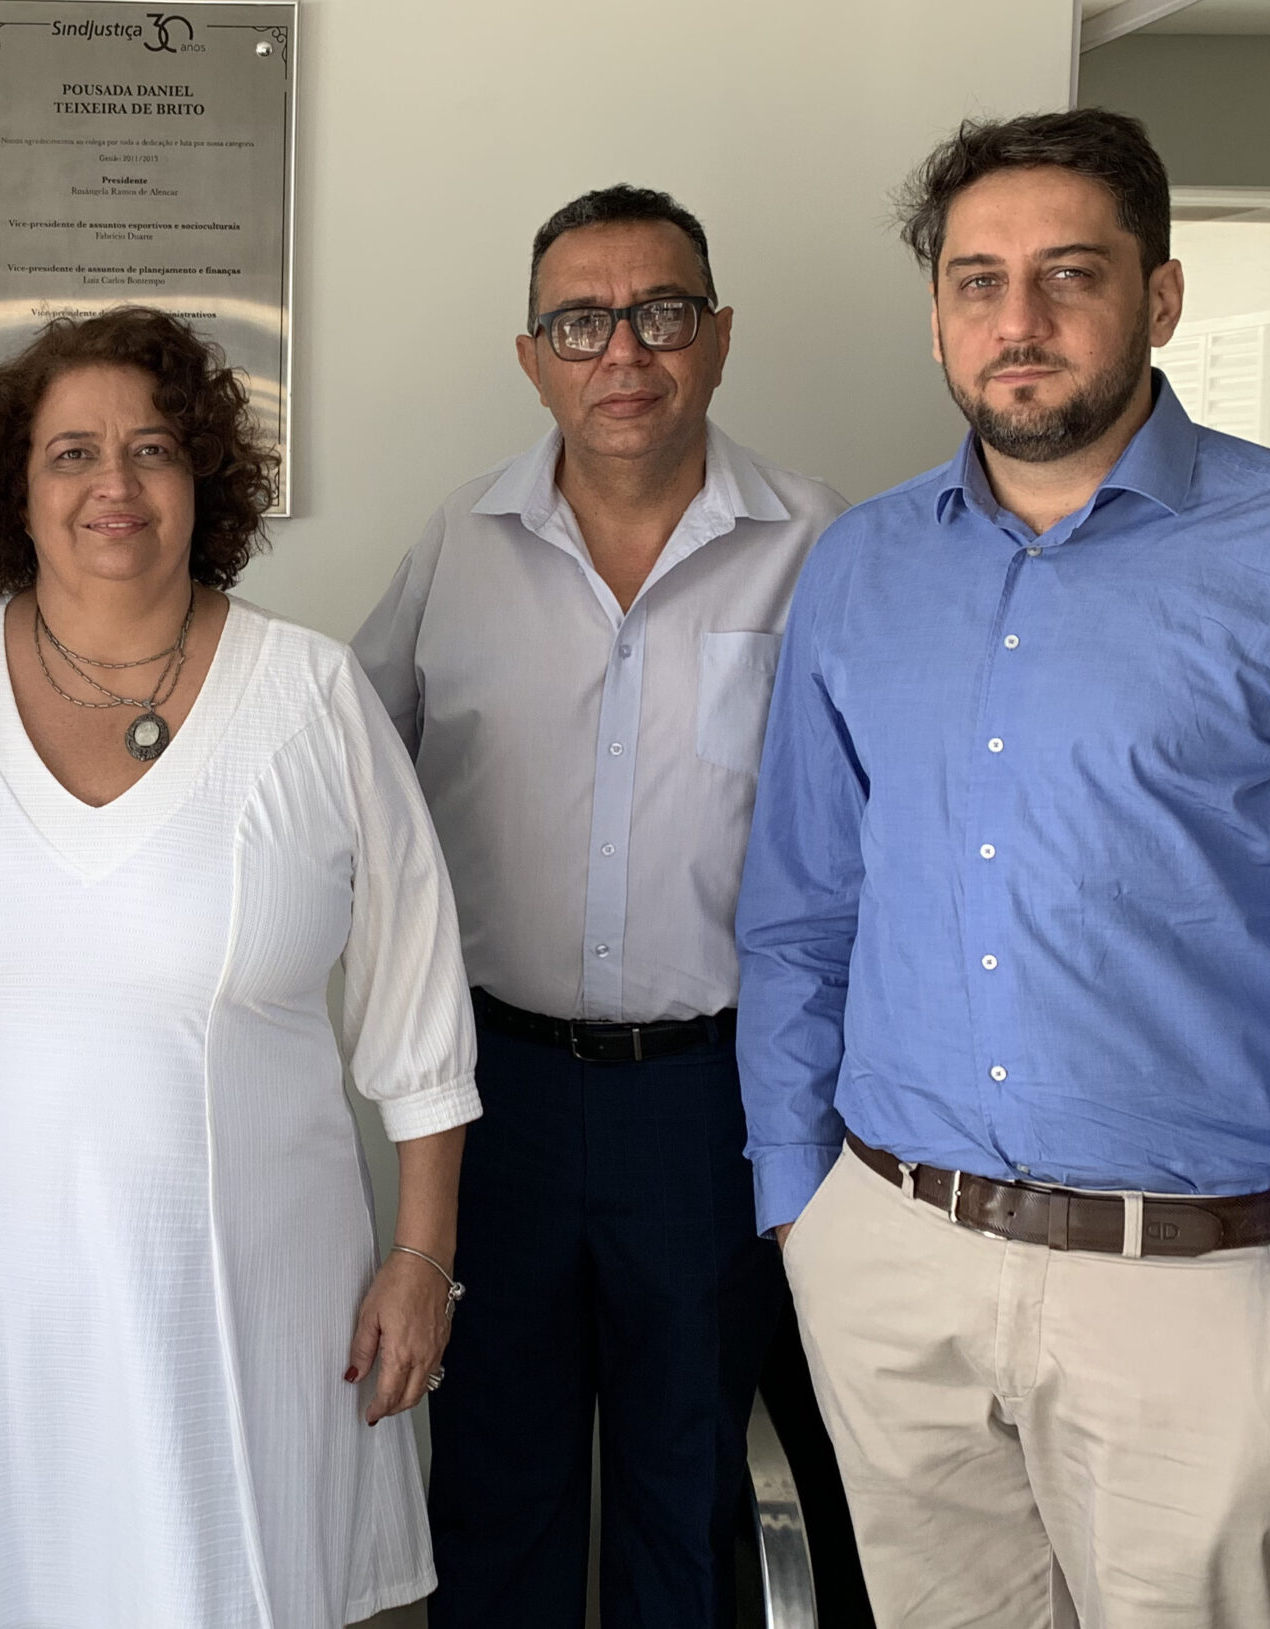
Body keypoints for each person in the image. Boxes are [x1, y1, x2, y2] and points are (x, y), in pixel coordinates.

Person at [738, 108, 1270, 1628]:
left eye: (1069, 274)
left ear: (1162, 295)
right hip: (894, 1268)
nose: (1018, 320)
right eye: (977, 281)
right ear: (938, 315)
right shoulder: (863, 567)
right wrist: (805, 1211)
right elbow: (802, 913)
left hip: (1198, 1303)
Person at [0, 306, 480, 1628]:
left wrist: (423, 1257)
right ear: (15, 489)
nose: (113, 484)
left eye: (154, 449)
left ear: (205, 480)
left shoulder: (310, 696)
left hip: (243, 1281)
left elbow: (420, 997)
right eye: (71, 452)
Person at [353, 186, 847, 1627]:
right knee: (492, 1477)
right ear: (532, 357)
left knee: (688, 1486)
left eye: (661, 314)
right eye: (580, 322)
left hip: (717, 1103)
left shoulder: (824, 546)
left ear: (720, 336)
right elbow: (345, 775)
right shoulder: (459, 544)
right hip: (493, 1098)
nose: (623, 351)